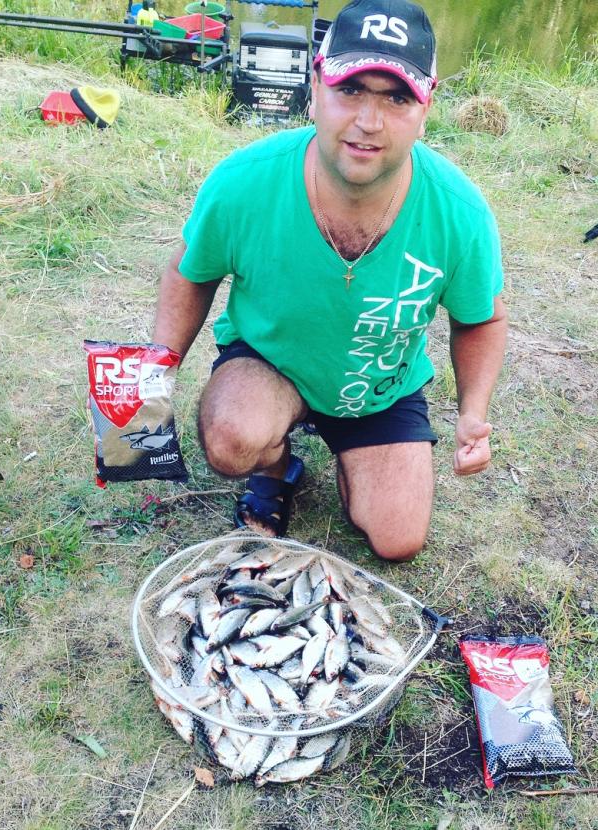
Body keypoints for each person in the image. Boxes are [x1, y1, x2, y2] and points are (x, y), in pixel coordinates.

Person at [153, 0, 507, 561]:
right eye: (351, 89)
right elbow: (190, 272)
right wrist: (156, 373)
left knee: (398, 539)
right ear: (315, 87)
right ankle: (275, 468)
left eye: (397, 98)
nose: (369, 121)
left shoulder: (459, 212)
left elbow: (481, 318)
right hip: (272, 362)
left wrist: (472, 411)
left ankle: (355, 456)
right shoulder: (244, 181)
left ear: (426, 108)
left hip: (378, 386)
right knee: (232, 438)